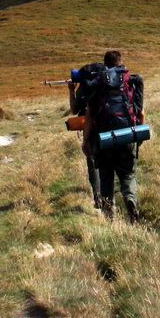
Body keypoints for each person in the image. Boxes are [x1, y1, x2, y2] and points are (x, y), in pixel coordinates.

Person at [82, 50, 145, 222]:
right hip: (126, 135)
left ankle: (109, 215)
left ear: (104, 64)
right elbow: (140, 114)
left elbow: (88, 116)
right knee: (127, 174)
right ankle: (130, 198)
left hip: (104, 138)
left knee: (106, 175)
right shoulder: (130, 83)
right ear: (120, 63)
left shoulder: (97, 83)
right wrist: (137, 138)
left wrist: (86, 140)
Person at [68, 62, 104, 209]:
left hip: (91, 128)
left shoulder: (85, 86)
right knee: (109, 159)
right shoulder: (109, 82)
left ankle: (98, 197)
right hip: (110, 124)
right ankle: (112, 193)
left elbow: (75, 110)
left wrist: (71, 91)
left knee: (93, 162)